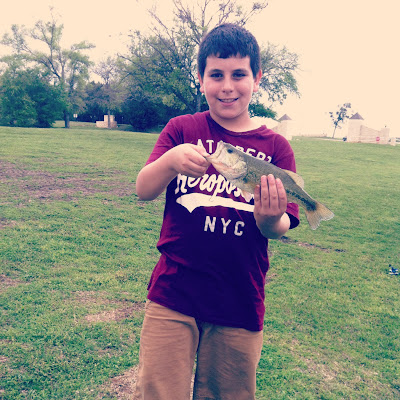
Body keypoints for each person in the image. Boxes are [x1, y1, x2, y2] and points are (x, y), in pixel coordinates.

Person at [134, 23, 300, 400]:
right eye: (216, 75)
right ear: (201, 78)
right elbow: (143, 189)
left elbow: (279, 226)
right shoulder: (181, 129)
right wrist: (170, 161)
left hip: (240, 297)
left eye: (239, 74)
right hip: (173, 292)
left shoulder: (276, 147)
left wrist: (269, 217)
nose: (227, 86)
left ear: (257, 78)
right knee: (159, 391)